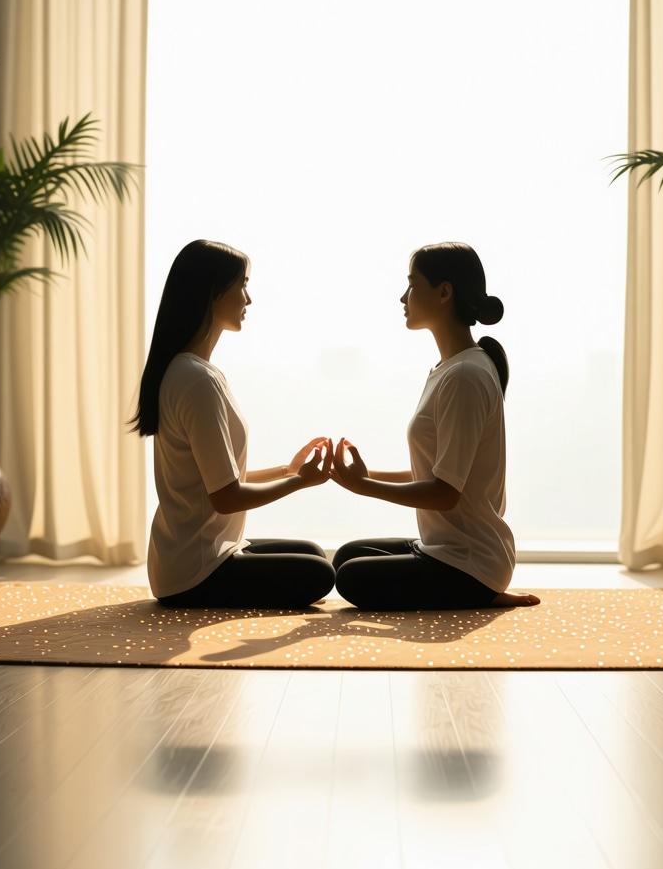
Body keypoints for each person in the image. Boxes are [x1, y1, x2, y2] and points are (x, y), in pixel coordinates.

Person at [328, 242, 540, 611]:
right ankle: (478, 589)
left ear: (444, 292)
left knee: (350, 577)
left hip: (469, 562)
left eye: (411, 285)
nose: (402, 297)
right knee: (347, 557)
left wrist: (365, 487)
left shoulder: (465, 375)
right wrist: (366, 474)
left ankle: (482, 592)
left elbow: (445, 493)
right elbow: (439, 470)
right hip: (444, 549)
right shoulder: (450, 369)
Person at [132, 239, 335, 608]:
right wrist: (299, 482)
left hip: (197, 558)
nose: (248, 298)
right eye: (243, 284)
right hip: (196, 574)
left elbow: (221, 481)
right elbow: (226, 498)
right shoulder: (196, 379)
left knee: (313, 553)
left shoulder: (194, 371)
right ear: (213, 292)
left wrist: (288, 469)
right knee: (320, 574)